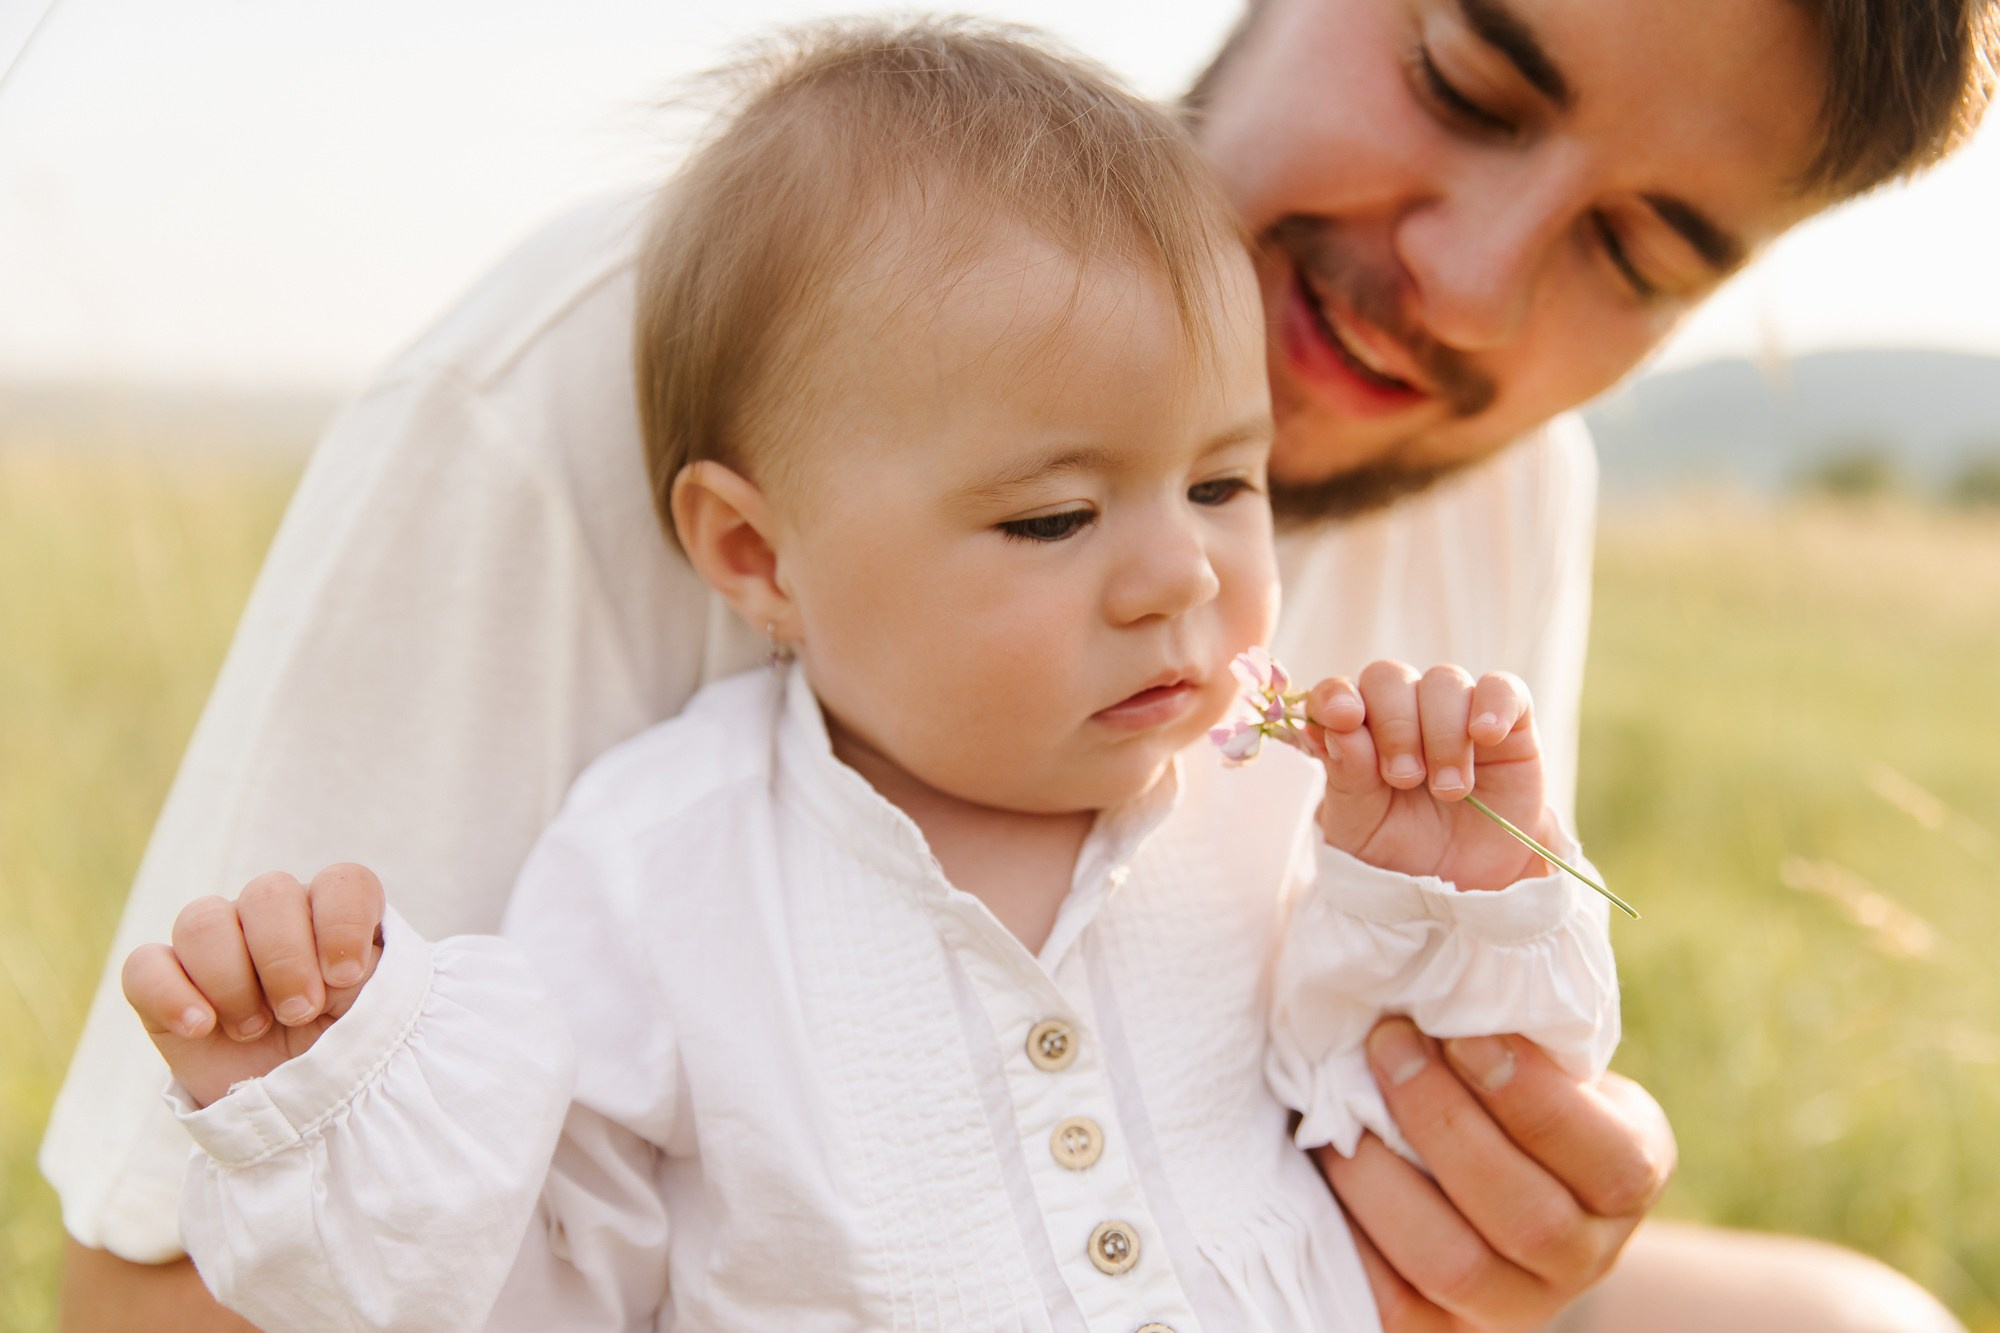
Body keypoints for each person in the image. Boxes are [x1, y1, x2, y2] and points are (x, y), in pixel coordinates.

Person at [43, 0, 1996, 1328]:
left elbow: (1337, 1094)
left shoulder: (1502, 496)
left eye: (1637, 256)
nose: (1469, 283)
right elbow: (163, 1288)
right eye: (1469, 86)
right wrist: (338, 1090)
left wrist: (1504, 1190)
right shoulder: (606, 376)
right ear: (752, 545)